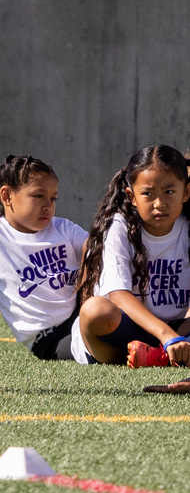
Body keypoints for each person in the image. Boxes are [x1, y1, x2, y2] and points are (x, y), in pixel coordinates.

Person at [0, 155, 83, 364]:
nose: (48, 205)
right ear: (7, 196)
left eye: (53, 198)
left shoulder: (63, 228)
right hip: (49, 338)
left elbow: (102, 251)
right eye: (38, 196)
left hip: (81, 315)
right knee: (107, 348)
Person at [69, 146, 190, 367]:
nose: (159, 203)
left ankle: (156, 358)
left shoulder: (187, 228)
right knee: (94, 311)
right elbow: (118, 295)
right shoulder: (119, 226)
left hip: (179, 329)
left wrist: (180, 336)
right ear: (131, 196)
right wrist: (166, 336)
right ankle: (150, 358)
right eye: (148, 193)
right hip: (127, 330)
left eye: (169, 192)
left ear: (186, 192)